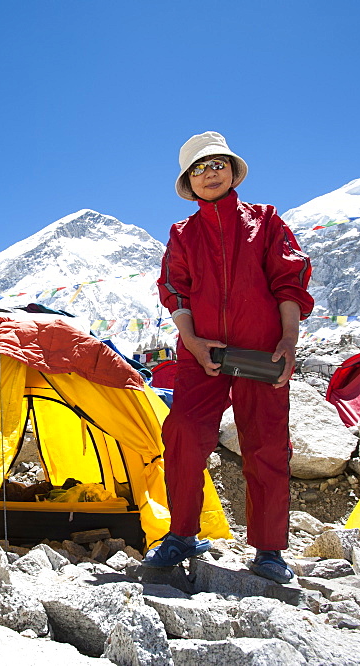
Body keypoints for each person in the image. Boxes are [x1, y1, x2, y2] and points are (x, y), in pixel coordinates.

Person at [144, 131, 313, 584]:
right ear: (188, 182)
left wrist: (289, 339)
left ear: (233, 170)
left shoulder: (266, 221)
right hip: (202, 354)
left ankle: (269, 550)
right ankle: (181, 535)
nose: (209, 173)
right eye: (198, 168)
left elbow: (288, 280)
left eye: (217, 164)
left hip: (262, 352)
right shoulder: (183, 233)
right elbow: (175, 289)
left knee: (267, 444)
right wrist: (193, 341)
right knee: (182, 432)